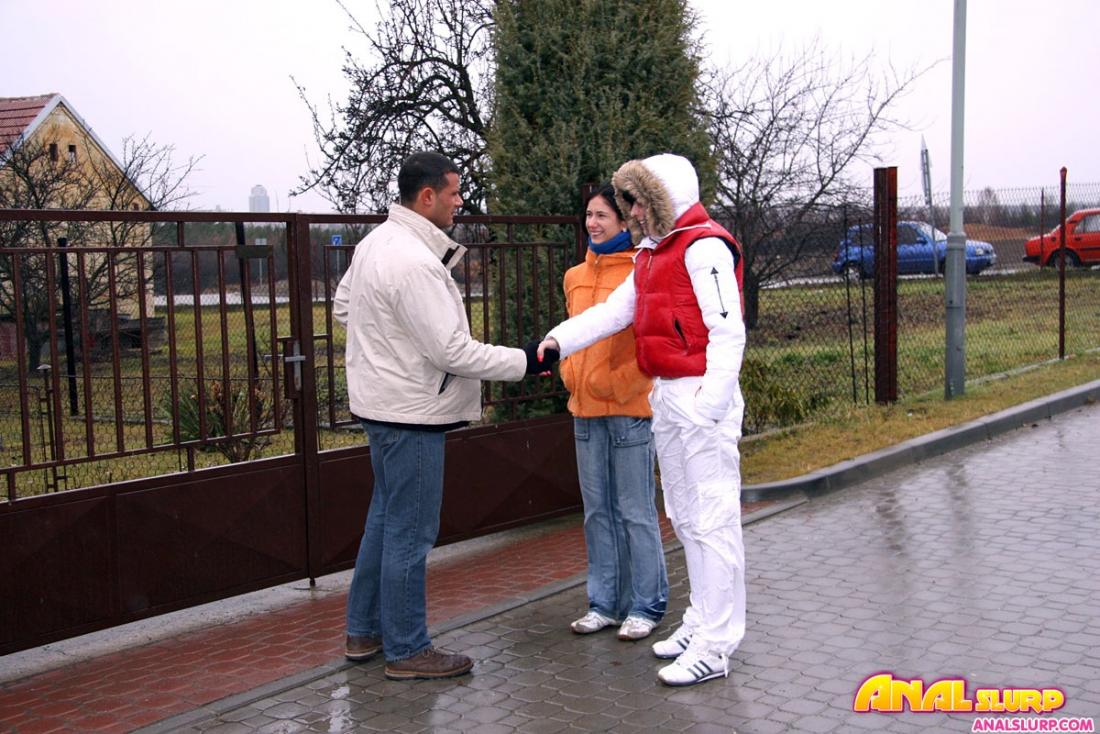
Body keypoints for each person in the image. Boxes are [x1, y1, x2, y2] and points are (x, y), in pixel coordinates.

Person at [334, 151, 556, 681]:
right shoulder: (413, 261)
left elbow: (346, 308)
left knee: (385, 522)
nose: (460, 201)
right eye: (454, 192)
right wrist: (526, 360)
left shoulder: (374, 245)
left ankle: (364, 632)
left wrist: (389, 347)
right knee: (410, 534)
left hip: (383, 408)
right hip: (411, 414)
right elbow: (452, 351)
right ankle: (408, 650)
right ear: (427, 196)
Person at [539, 154, 746, 687]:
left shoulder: (703, 247)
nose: (630, 212)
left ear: (661, 199)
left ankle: (716, 644)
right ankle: (701, 620)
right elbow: (614, 312)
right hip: (669, 395)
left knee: (713, 518)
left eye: (636, 202)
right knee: (686, 516)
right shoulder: (654, 253)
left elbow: (728, 332)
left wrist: (710, 406)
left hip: (698, 396)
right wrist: (559, 340)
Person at [563, 184, 669, 641]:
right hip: (584, 410)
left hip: (629, 409)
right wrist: (570, 373)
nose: (593, 223)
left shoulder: (640, 272)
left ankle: (647, 604)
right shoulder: (574, 276)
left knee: (635, 511)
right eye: (589, 215)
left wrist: (623, 382)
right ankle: (604, 603)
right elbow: (575, 332)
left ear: (625, 222)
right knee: (597, 512)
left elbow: (650, 339)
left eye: (602, 215)